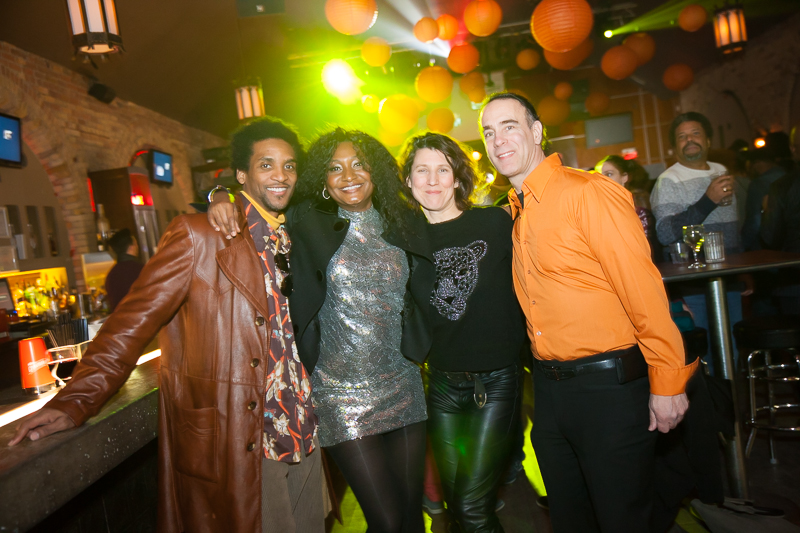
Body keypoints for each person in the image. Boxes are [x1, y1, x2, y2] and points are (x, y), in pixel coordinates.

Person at [9, 117, 324, 533]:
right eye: (266, 165)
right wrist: (74, 402)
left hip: (302, 422)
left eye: (289, 166)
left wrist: (217, 192)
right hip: (247, 433)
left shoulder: (288, 237)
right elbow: (130, 324)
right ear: (242, 174)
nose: (280, 175)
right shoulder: (200, 235)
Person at [480, 92, 696, 533]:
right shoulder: (514, 214)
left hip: (609, 391)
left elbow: (643, 291)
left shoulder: (588, 192)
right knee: (570, 520)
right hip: (549, 393)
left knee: (622, 521)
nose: (497, 140)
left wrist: (668, 380)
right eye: (488, 132)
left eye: (509, 126)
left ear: (537, 132)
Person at [209, 128, 434, 533]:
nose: (348, 176)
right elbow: (259, 195)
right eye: (335, 168)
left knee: (409, 516)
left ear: (375, 172)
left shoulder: (402, 221)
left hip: (403, 382)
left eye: (358, 164)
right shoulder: (305, 222)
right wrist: (218, 194)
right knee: (385, 520)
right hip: (339, 394)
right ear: (322, 181)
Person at [400, 132, 525, 532]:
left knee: (472, 506)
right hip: (440, 385)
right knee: (457, 505)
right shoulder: (403, 241)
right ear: (408, 180)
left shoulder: (494, 223)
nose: (432, 180)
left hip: (497, 381)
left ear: (457, 178)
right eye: (422, 170)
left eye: (443, 170)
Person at [650, 112, 747, 372]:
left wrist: (744, 272)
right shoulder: (668, 181)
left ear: (708, 140)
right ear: (674, 147)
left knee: (733, 351)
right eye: (682, 137)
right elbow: (665, 233)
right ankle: (716, 399)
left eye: (695, 133)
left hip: (729, 278)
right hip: (693, 283)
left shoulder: (721, 171)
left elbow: (734, 227)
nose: (689, 140)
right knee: (706, 358)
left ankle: (731, 397)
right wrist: (707, 201)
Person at [596, 155, 660, 262]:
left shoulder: (638, 204)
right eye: (600, 176)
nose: (604, 179)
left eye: (609, 174)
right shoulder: (597, 208)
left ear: (624, 177)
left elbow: (643, 249)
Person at [741, 131, 793, 251]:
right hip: (789, 245)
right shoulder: (789, 177)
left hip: (765, 248)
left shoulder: (758, 184)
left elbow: (754, 221)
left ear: (757, 163)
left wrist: (742, 246)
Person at [104, 228, 144, 312]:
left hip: (120, 319)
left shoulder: (111, 275)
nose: (138, 247)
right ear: (131, 247)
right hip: (141, 318)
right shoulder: (141, 270)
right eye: (136, 243)